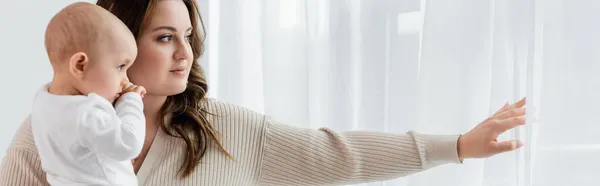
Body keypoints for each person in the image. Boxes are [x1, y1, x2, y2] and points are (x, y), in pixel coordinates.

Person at [0, 0, 527, 185]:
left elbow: (336, 155)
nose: (186, 53)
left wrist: (456, 146)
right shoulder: (50, 126)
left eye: (188, 36)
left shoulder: (226, 129)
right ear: (116, 40)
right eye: (164, 38)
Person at [29, 2, 147, 186]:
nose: (125, 79)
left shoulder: (43, 101)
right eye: (120, 67)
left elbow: (81, 153)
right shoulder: (87, 111)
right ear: (80, 65)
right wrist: (131, 101)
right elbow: (129, 144)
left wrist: (116, 162)